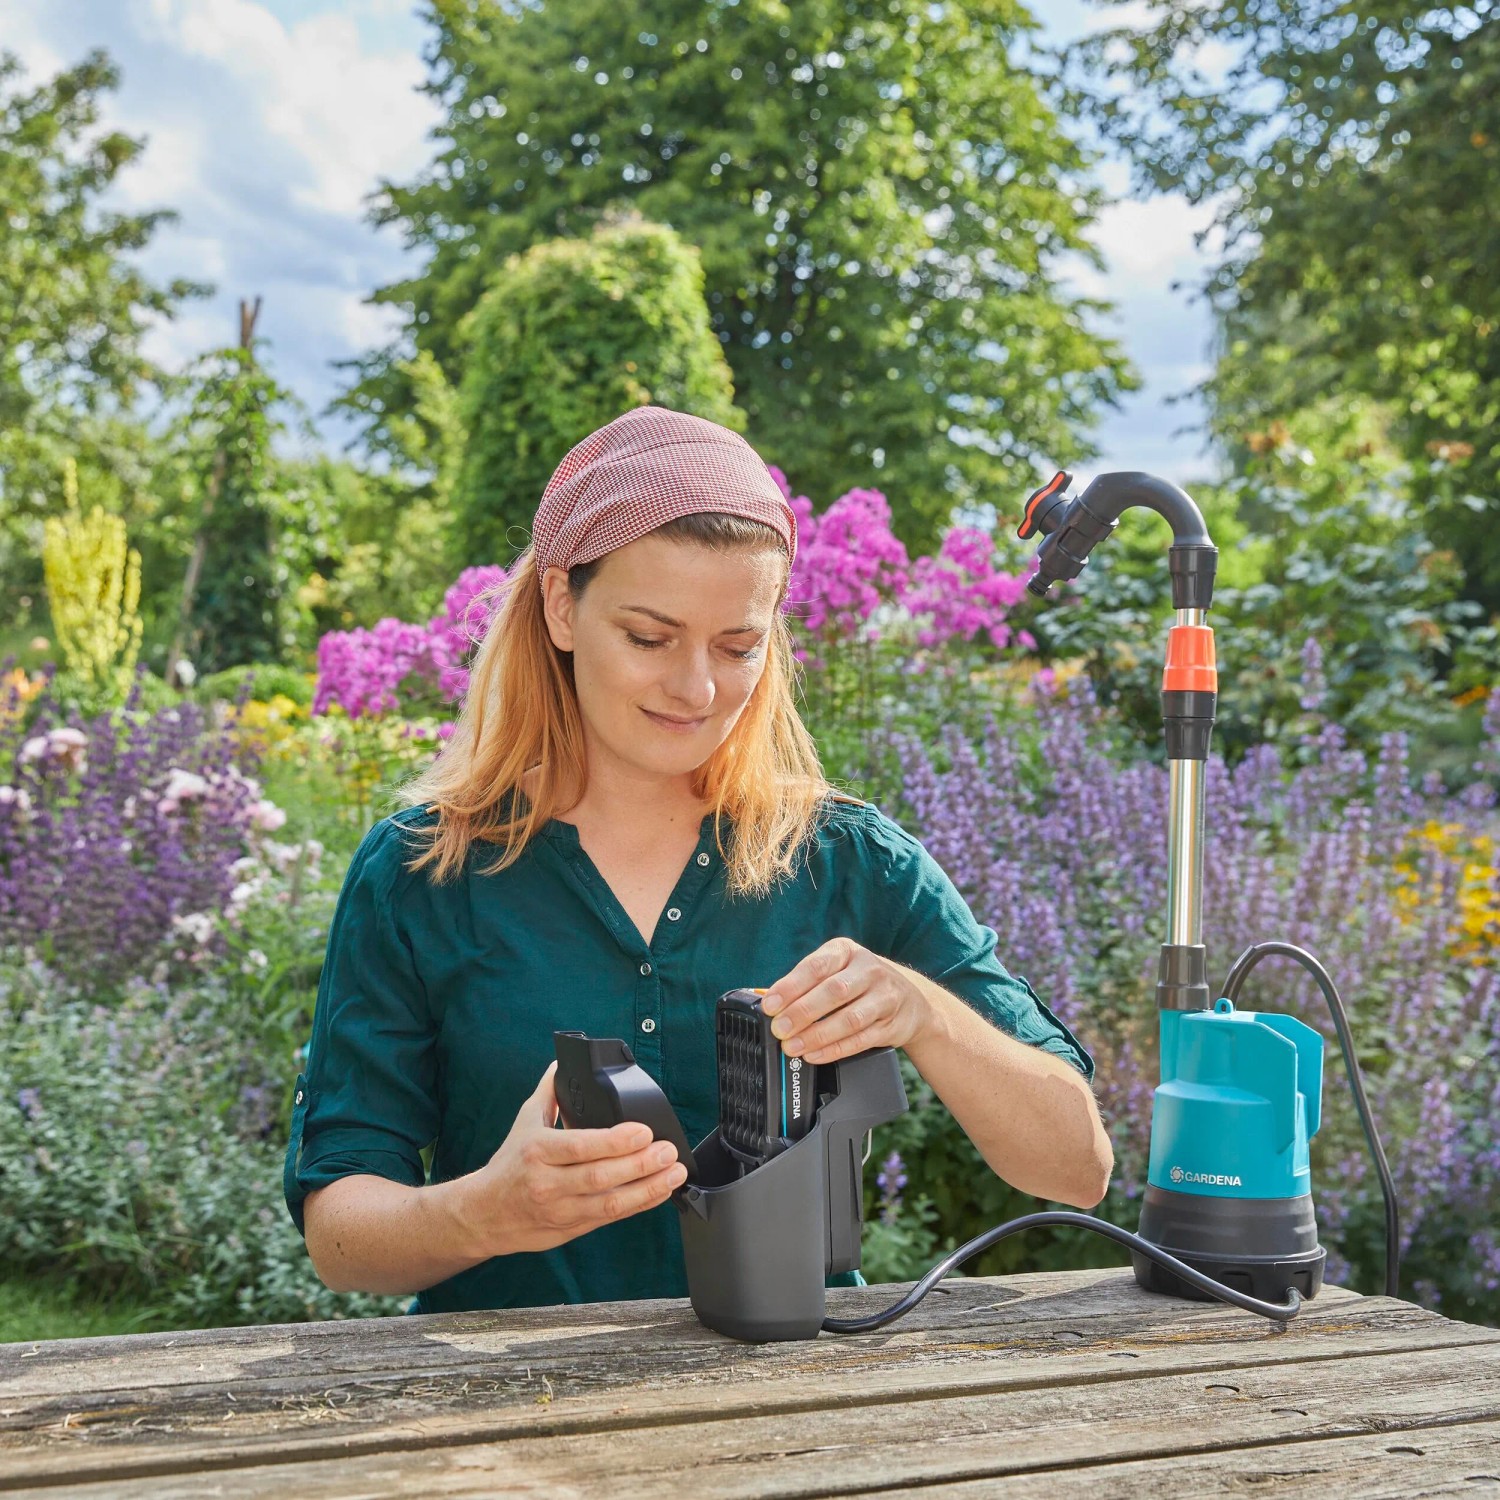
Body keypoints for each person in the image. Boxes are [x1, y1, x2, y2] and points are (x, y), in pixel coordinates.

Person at [284, 405, 1112, 1314]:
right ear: (562, 605)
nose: (696, 687)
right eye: (649, 637)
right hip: (502, 1420)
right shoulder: (419, 872)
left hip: (797, 1414)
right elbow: (340, 1233)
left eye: (738, 645)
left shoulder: (851, 861)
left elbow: (1077, 1167)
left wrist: (924, 1014)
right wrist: (489, 1212)